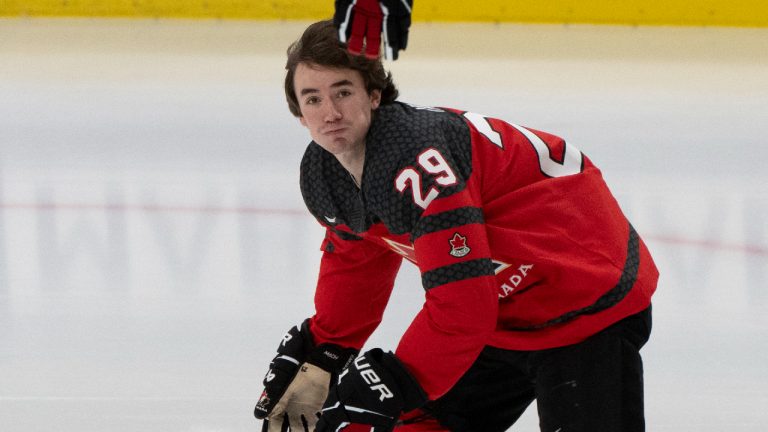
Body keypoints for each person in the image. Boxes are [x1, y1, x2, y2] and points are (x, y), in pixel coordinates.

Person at [254, 20, 658, 432]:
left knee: (385, 404)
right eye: (313, 99)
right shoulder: (327, 176)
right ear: (299, 115)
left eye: (342, 92)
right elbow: (357, 267)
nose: (331, 113)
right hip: (502, 316)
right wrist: (325, 349)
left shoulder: (417, 161)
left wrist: (394, 380)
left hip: (585, 301)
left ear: (374, 95)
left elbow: (465, 308)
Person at [333, 0, 412, 60]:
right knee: (358, 31)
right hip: (362, 9)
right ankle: (355, 48)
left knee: (373, 34)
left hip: (375, 12)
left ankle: (371, 53)